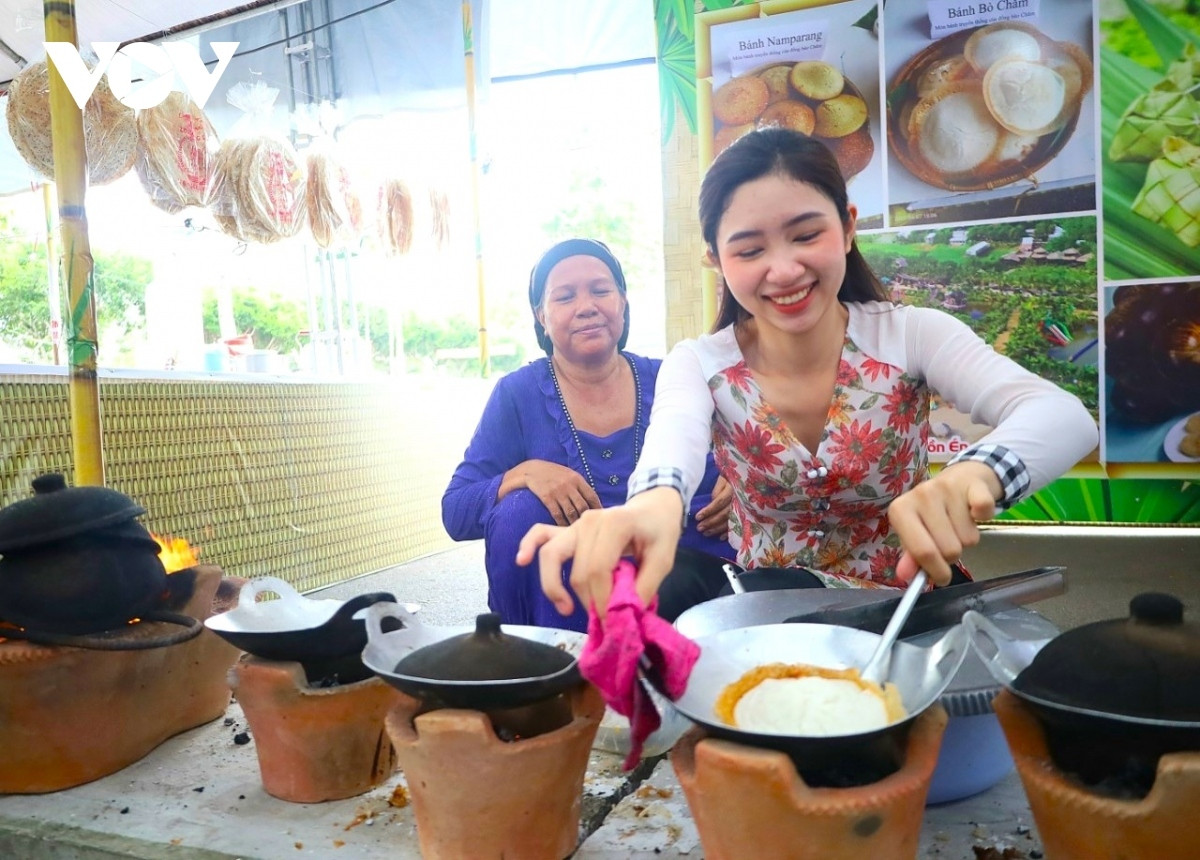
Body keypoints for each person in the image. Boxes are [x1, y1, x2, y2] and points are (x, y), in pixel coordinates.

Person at [518, 128, 1099, 619]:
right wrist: (651, 506)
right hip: (769, 611)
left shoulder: (912, 333)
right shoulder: (699, 363)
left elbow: (1064, 418)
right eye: (748, 251)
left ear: (847, 226)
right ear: (716, 261)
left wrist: (969, 476)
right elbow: (671, 446)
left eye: (806, 234)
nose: (784, 269)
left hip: (907, 607)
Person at [442, 238, 735, 630]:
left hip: (679, 568)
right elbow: (455, 510)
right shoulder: (517, 394)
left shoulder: (674, 377)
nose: (587, 307)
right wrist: (524, 474)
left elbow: (759, 445)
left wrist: (747, 485)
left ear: (623, 302)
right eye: (564, 297)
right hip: (567, 591)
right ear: (541, 316)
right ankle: (546, 673)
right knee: (519, 512)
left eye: (600, 290)